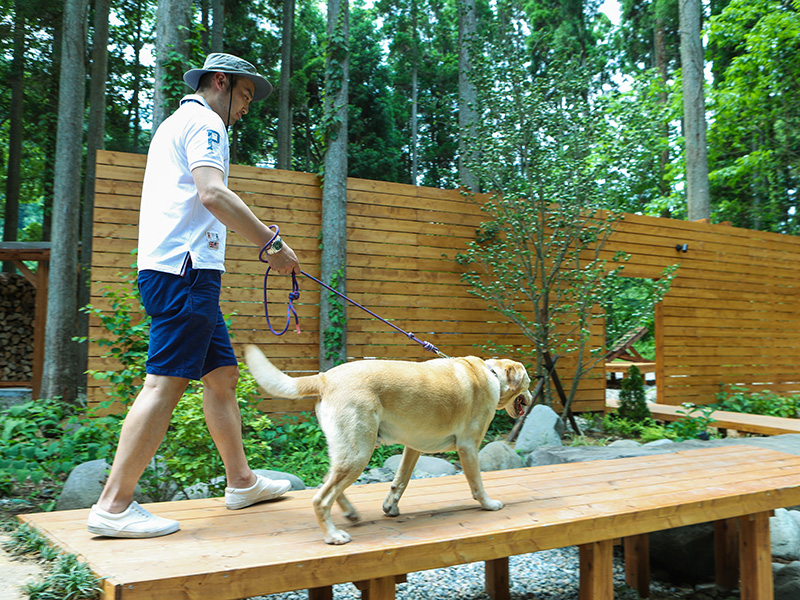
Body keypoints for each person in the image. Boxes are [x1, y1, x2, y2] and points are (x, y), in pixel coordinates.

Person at [87, 53, 301, 539]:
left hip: (181, 271)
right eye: (245, 95)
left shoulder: (175, 123)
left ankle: (242, 482)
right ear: (220, 83)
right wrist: (273, 246)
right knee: (164, 384)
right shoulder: (207, 123)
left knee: (222, 376)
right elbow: (213, 194)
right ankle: (113, 505)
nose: (247, 107)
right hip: (185, 273)